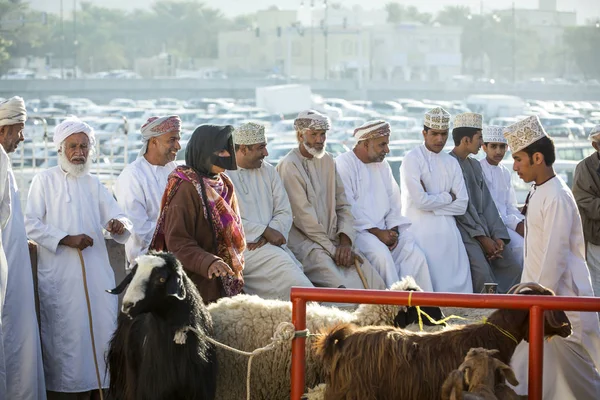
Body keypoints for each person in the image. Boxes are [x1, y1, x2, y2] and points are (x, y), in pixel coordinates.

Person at [25, 118, 132, 400]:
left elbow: (119, 215)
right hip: (61, 275)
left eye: (84, 146)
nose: (79, 151)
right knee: (66, 340)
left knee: (101, 335)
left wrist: (118, 225)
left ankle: (100, 389)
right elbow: (31, 224)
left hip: (97, 275)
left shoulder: (94, 183)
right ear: (60, 149)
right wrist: (66, 238)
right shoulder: (44, 180)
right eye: (72, 145)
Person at [504, 115, 600, 399]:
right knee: (524, 370)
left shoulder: (557, 196)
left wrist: (539, 303)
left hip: (560, 305)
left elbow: (555, 259)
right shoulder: (538, 191)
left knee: (581, 383)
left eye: (518, 159)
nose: (514, 166)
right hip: (540, 303)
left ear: (537, 157)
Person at [276, 110, 385, 290]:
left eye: (323, 134)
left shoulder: (327, 160)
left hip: (337, 242)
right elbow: (304, 220)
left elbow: (343, 205)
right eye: (314, 135)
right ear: (300, 135)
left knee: (375, 282)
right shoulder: (289, 165)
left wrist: (345, 241)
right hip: (309, 245)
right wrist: (335, 250)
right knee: (345, 290)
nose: (320, 140)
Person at [150, 124, 245, 303]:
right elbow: (178, 241)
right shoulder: (186, 187)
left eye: (228, 150)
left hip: (226, 280)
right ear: (205, 152)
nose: (227, 155)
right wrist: (208, 262)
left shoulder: (224, 183)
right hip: (197, 286)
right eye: (221, 151)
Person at [335, 120, 433, 290]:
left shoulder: (382, 165)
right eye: (382, 145)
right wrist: (377, 232)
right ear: (365, 144)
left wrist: (393, 230)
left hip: (386, 231)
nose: (387, 150)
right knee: (381, 256)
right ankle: (394, 309)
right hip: (360, 232)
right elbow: (348, 208)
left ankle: (423, 306)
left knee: (415, 254)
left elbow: (394, 201)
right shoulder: (344, 163)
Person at [226, 122, 313, 300]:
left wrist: (268, 234)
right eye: (261, 148)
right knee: (297, 285)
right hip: (244, 250)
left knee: (295, 276)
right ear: (243, 149)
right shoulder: (224, 175)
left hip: (271, 245)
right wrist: (263, 232)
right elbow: (227, 219)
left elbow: (284, 211)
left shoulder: (268, 171)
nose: (266, 153)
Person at [0, 96, 46, 399]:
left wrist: (19, 238)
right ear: (3, 130)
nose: (22, 137)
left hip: (14, 262)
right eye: (19, 129)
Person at [400, 107, 472, 293]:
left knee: (455, 291)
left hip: (449, 235)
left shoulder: (451, 162)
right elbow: (420, 202)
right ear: (424, 133)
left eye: (444, 134)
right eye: (434, 134)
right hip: (420, 233)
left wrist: (433, 205)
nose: (440, 139)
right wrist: (448, 197)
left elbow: (462, 204)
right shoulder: (412, 159)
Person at [449, 113, 521, 293]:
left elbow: (488, 205)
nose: (481, 143)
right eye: (479, 138)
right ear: (466, 140)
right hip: (464, 229)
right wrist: (482, 238)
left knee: (512, 267)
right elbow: (461, 209)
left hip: (485, 228)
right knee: (483, 273)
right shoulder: (449, 164)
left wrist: (497, 236)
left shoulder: (474, 165)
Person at [114, 115, 181, 269]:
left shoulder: (173, 169)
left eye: (178, 139)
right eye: (171, 140)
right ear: (153, 142)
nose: (178, 146)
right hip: (146, 265)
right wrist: (179, 237)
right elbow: (138, 228)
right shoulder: (132, 176)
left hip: (176, 258)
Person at [479, 125, 525, 267]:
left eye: (502, 146)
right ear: (484, 147)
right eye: (493, 146)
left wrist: (522, 222)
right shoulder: (478, 169)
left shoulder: (505, 172)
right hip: (489, 226)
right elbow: (488, 208)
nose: (498, 151)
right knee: (522, 247)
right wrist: (515, 224)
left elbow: (510, 205)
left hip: (507, 223)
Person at [572, 124, 600, 296]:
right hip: (596, 236)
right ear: (596, 146)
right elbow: (584, 201)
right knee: (596, 283)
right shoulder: (584, 167)